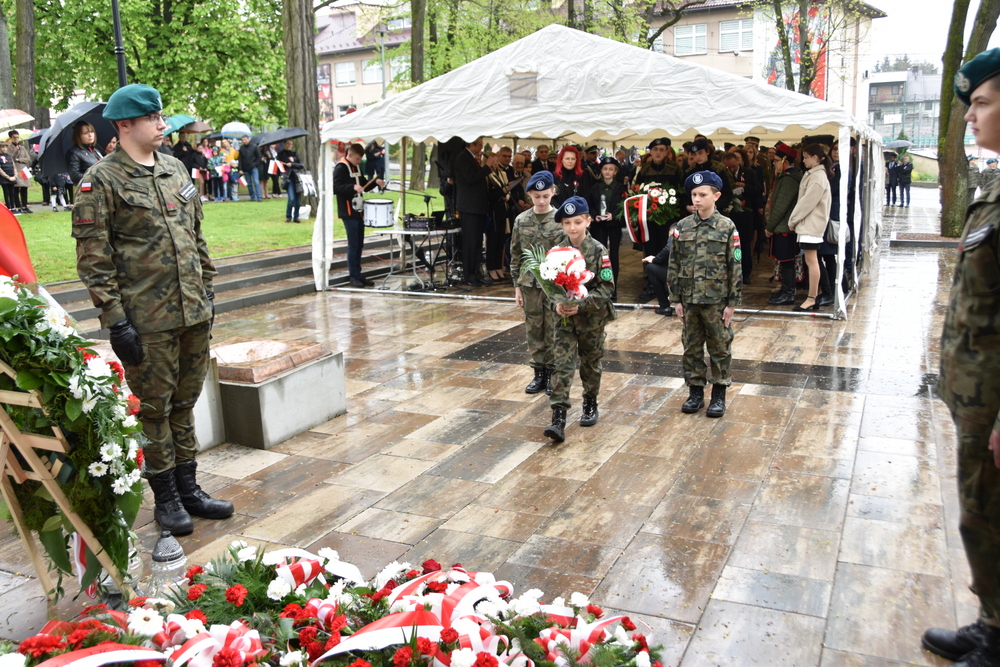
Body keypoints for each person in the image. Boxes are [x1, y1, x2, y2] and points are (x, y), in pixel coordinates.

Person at [71, 84, 233, 536]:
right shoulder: (101, 181)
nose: (163, 124)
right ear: (124, 125)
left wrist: (208, 291)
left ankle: (189, 489)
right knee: (155, 410)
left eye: (161, 116)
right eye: (153, 118)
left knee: (184, 404)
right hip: (147, 320)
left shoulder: (174, 167)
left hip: (192, 312)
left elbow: (195, 236)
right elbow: (94, 259)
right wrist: (116, 321)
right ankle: (166, 498)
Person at [921, 48, 1000, 667]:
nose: (970, 116)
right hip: (977, 392)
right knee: (982, 512)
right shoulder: (995, 184)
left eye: (981, 103)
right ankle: (992, 620)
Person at [667, 170, 741, 418]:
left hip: (716, 300)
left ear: (716, 196)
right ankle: (695, 391)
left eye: (702, 194)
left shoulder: (727, 226)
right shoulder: (683, 226)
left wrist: (732, 303)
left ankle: (719, 393)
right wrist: (675, 299)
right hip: (689, 300)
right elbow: (674, 263)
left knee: (720, 347)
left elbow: (735, 266)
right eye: (693, 195)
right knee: (691, 347)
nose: (697, 199)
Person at [543, 196, 615, 442]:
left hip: (591, 320)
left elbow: (607, 288)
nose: (572, 227)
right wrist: (557, 303)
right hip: (564, 320)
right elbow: (548, 284)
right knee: (561, 364)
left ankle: (590, 402)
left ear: (588, 221)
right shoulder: (556, 251)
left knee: (590, 362)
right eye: (567, 223)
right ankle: (558, 417)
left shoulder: (598, 250)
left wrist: (581, 304)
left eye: (577, 222)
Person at [510, 171, 564, 396]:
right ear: (529, 195)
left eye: (545, 196)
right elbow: (516, 255)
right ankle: (538, 372)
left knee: (553, 328)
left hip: (553, 285)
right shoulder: (521, 220)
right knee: (533, 327)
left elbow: (569, 254)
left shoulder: (561, 219)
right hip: (529, 284)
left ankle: (551, 372)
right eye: (536, 196)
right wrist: (517, 286)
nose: (541, 201)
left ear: (553, 192)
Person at [787, 143, 833, 312]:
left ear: (816, 157)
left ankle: (811, 298)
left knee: (812, 261)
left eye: (806, 157)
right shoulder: (816, 174)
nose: (804, 160)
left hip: (811, 224)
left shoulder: (817, 176)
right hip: (810, 224)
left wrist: (793, 220)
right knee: (813, 261)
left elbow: (807, 202)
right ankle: (815, 294)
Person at [334, 142, 385, 287]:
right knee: (353, 245)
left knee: (359, 244)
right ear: (350, 155)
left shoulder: (356, 167)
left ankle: (359, 274)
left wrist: (375, 182)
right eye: (357, 159)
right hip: (348, 211)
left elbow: (363, 183)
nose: (359, 161)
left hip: (359, 211)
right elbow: (335, 187)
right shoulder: (341, 167)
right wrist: (352, 187)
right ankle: (353, 276)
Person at [452, 136, 496, 286]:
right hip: (469, 207)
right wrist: (487, 167)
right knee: (470, 242)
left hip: (477, 207)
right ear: (472, 144)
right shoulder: (463, 158)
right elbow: (471, 178)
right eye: (480, 145)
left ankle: (476, 273)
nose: (482, 148)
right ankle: (469, 275)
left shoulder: (472, 158)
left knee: (477, 242)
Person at [765, 143, 803, 306]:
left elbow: (781, 206)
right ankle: (785, 290)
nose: (774, 163)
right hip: (782, 226)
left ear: (785, 161)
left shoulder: (789, 180)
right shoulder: (785, 177)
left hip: (784, 227)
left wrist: (769, 226)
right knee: (784, 260)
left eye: (776, 160)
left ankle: (788, 293)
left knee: (787, 261)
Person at [588, 156, 626, 296]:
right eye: (605, 169)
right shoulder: (595, 187)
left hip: (614, 225)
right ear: (601, 171)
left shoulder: (620, 187)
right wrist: (594, 215)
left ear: (615, 171)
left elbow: (623, 205)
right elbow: (590, 204)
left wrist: (613, 215)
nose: (608, 171)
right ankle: (601, 284)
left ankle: (613, 286)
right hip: (599, 226)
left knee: (613, 255)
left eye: (611, 169)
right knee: (600, 255)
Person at [486, 150, 515, 282]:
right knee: (493, 241)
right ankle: (491, 267)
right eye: (494, 161)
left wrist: (506, 194)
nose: (496, 164)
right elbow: (489, 194)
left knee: (501, 240)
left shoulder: (500, 174)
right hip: (493, 211)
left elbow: (506, 189)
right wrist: (502, 192)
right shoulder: (488, 175)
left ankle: (499, 266)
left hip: (503, 209)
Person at [277, 139, 305, 223]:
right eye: (288, 143)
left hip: (297, 178)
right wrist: (288, 164)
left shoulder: (294, 154)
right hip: (288, 179)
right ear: (284, 144)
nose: (289, 145)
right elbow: (279, 166)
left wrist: (292, 163)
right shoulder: (280, 154)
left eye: (291, 144)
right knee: (291, 198)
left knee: (298, 200)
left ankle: (296, 217)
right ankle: (288, 216)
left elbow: (301, 165)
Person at [6, 131, 31, 214]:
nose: (16, 139)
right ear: (11, 138)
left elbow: (28, 159)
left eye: (17, 137)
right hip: (15, 169)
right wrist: (16, 152)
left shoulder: (22, 147)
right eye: (14, 137)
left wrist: (19, 159)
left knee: (24, 188)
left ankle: (25, 206)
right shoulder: (9, 148)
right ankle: (18, 206)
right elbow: (10, 158)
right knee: (16, 188)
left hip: (23, 169)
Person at [238, 135, 263, 202]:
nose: (244, 141)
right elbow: (240, 159)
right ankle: (252, 197)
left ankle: (259, 197)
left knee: (256, 182)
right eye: (243, 140)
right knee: (249, 183)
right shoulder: (241, 148)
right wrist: (240, 169)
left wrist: (255, 164)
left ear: (248, 139)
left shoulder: (254, 146)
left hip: (253, 167)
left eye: (245, 140)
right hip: (245, 168)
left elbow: (259, 156)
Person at [0, 148, 16, 212]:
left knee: (12, 193)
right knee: (6, 193)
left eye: (5, 147)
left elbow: (14, 166)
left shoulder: (9, 156)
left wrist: (15, 176)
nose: (4, 149)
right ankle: (8, 207)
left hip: (12, 176)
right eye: (2, 147)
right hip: (4, 178)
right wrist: (7, 177)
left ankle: (13, 207)